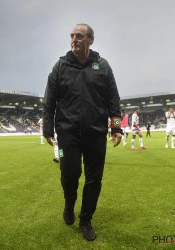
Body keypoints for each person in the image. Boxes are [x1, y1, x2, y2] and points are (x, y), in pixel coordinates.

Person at [42, 23, 123, 241]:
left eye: (79, 36)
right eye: (72, 36)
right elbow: (49, 100)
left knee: (94, 179)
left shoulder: (103, 66)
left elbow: (113, 99)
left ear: (90, 40)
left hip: (96, 132)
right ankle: (69, 203)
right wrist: (47, 128)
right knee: (69, 173)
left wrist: (116, 127)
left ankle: (86, 219)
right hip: (67, 133)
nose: (74, 39)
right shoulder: (61, 66)